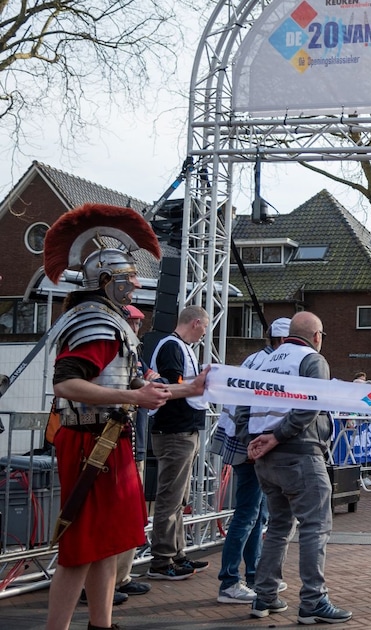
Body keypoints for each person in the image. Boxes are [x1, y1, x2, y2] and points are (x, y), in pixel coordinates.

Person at [40, 203, 207, 630]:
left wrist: (190, 388)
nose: (133, 287)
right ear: (105, 282)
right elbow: (66, 384)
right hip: (89, 442)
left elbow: (144, 384)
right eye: (126, 280)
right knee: (81, 546)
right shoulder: (95, 322)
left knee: (107, 544)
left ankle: (102, 623)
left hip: (111, 440)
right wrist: (130, 394)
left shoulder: (115, 324)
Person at [242, 312, 352, 623]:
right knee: (315, 526)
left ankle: (263, 596)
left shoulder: (263, 361)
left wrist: (252, 440)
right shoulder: (311, 359)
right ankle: (313, 601)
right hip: (300, 453)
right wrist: (276, 437)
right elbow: (309, 405)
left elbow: (241, 402)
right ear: (317, 336)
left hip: (265, 458)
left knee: (278, 526)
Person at [212, 317, 291, 604]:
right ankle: (230, 581)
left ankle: (254, 576)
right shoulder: (272, 363)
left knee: (255, 513)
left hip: (243, 442)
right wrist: (252, 445)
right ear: (283, 340)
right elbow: (249, 405)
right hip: (249, 445)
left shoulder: (255, 359)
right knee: (247, 514)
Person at [145, 304, 212, 581]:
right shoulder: (171, 346)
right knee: (170, 497)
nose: (205, 334)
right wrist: (199, 383)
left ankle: (176, 553)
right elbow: (173, 386)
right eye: (205, 328)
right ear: (196, 323)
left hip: (184, 429)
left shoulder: (181, 347)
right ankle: (162, 560)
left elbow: (183, 384)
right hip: (174, 431)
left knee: (178, 498)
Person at [105, 305, 153, 605]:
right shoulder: (112, 350)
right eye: (133, 323)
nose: (136, 330)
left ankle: (120, 576)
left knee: (131, 516)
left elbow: (144, 382)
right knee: (111, 516)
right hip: (112, 442)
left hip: (132, 442)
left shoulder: (133, 355)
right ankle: (102, 581)